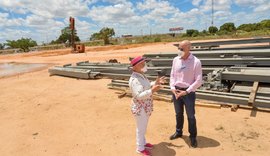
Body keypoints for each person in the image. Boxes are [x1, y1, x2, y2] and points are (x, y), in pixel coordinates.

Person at [129, 56, 166, 156]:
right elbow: (139, 96)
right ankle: (140, 148)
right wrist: (152, 90)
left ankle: (143, 143)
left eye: (144, 63)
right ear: (136, 66)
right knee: (141, 128)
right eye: (142, 64)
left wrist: (156, 82)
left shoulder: (141, 75)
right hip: (140, 107)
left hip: (144, 106)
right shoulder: (135, 80)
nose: (145, 65)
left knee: (143, 127)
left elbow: (147, 84)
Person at [169, 40, 203, 148]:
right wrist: (172, 88)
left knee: (191, 116)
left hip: (188, 92)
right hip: (177, 91)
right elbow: (172, 75)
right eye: (179, 48)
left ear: (189, 49)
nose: (180, 51)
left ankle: (192, 136)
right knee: (178, 114)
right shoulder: (176, 60)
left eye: (182, 49)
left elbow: (198, 81)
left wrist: (187, 91)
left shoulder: (196, 62)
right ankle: (179, 132)